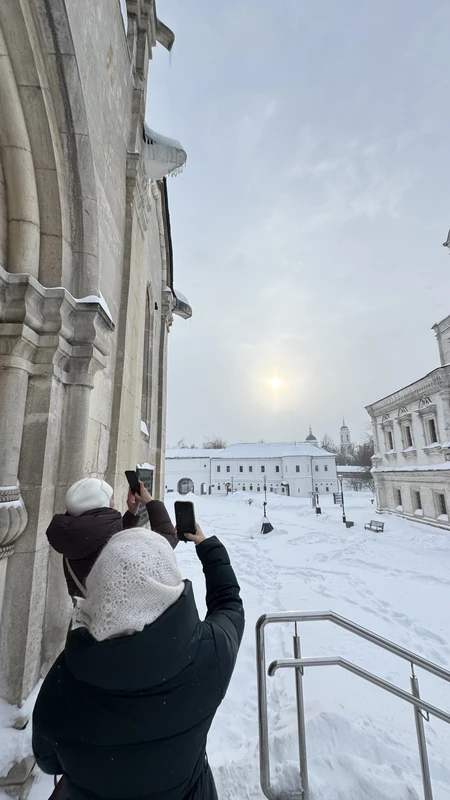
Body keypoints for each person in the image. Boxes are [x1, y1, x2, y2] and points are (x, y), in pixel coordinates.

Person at [33, 524, 245, 800]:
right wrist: (207, 546)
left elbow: (48, 759)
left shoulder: (67, 675)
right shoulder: (209, 656)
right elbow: (229, 604)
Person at [46, 477, 177, 599]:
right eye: (109, 498)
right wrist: (151, 503)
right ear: (101, 504)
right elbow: (164, 545)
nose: (113, 503)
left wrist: (131, 514)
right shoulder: (113, 548)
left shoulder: (71, 537)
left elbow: (103, 542)